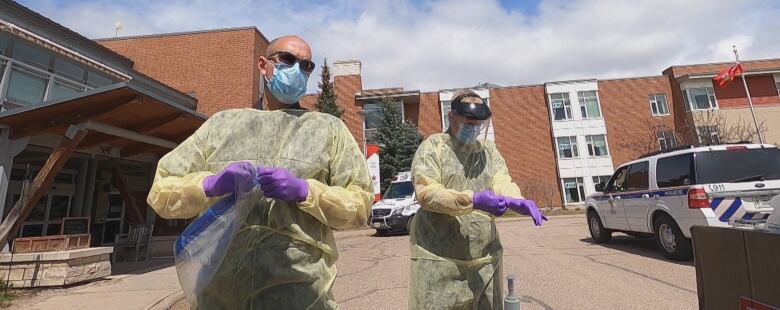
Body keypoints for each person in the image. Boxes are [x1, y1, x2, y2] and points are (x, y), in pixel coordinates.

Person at [147, 35, 372, 309]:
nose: (297, 70)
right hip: (221, 295)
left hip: (301, 294)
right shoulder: (223, 125)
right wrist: (211, 184)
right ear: (263, 65)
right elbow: (161, 191)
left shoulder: (328, 129)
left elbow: (360, 205)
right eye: (288, 60)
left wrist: (305, 191)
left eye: (306, 66)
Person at [408, 90, 547, 309]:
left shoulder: (488, 151)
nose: (473, 128)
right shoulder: (433, 147)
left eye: (478, 124)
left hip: (484, 261)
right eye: (468, 122)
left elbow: (501, 179)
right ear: (452, 117)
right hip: (439, 260)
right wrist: (472, 200)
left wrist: (514, 199)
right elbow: (428, 193)